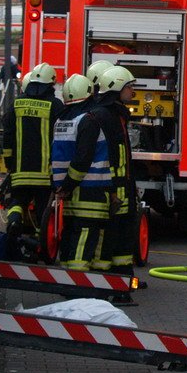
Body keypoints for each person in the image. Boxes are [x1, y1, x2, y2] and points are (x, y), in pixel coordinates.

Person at [67, 66, 139, 274]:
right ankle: (108, 281)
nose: (132, 92)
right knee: (105, 238)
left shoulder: (114, 115)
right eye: (129, 87)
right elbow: (107, 156)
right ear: (116, 88)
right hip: (112, 190)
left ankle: (120, 279)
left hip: (118, 189)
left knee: (116, 238)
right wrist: (116, 189)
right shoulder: (104, 117)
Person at [1, 62, 63, 252]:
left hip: (20, 171)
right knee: (44, 210)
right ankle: (39, 242)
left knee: (18, 201)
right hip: (45, 174)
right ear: (51, 84)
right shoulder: (55, 106)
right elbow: (62, 138)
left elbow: (8, 137)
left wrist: (9, 164)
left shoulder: (16, 105)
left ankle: (13, 221)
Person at [52, 74, 106, 271]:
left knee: (70, 232)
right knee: (85, 233)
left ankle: (67, 274)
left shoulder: (61, 121)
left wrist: (62, 187)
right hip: (88, 188)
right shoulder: (88, 120)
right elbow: (82, 158)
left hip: (66, 191)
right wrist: (70, 184)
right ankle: (77, 282)